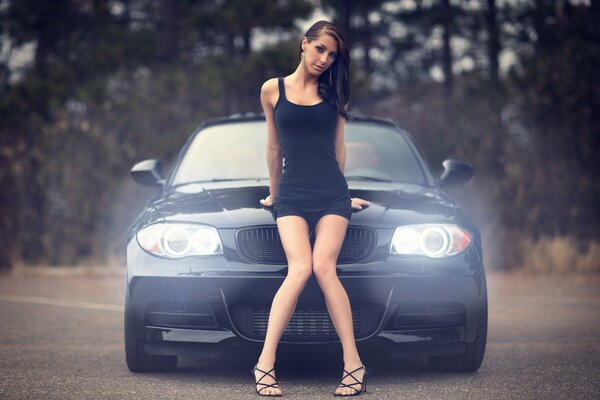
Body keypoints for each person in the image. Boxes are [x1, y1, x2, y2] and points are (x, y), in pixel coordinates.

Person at [252, 20, 371, 397]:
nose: (325, 59)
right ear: (304, 45)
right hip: (292, 195)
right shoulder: (273, 89)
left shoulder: (333, 93)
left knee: (323, 267)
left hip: (332, 195)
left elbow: (339, 147)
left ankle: (353, 363)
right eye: (320, 49)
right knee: (300, 268)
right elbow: (273, 148)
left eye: (332, 54)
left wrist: (344, 193)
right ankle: (265, 363)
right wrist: (273, 196)